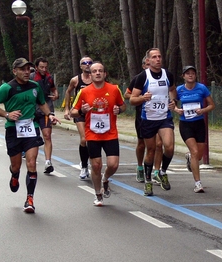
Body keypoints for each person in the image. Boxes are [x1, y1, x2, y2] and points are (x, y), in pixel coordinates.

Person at [0, 58, 61, 213]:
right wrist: (7, 114)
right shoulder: (7, 88)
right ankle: (15, 175)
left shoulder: (35, 86)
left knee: (32, 163)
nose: (27, 72)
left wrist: (50, 115)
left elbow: (42, 103)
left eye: (28, 69)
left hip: (31, 127)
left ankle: (29, 199)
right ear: (15, 71)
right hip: (13, 130)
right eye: (23, 69)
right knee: (16, 166)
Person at [70, 61, 126, 206]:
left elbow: (123, 105)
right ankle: (98, 194)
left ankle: (105, 178)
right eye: (94, 71)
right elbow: (73, 112)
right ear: (91, 74)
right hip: (93, 134)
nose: (97, 73)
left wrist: (119, 110)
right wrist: (82, 110)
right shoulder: (84, 91)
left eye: (100, 71)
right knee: (96, 166)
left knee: (113, 165)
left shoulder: (114, 89)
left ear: (105, 73)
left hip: (110, 133)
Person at [129, 48, 177, 196]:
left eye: (159, 56)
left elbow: (173, 90)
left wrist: (173, 101)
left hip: (164, 117)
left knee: (168, 147)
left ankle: (162, 172)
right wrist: (143, 98)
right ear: (148, 60)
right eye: (154, 57)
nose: (158, 59)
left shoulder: (167, 74)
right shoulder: (143, 77)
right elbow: (132, 100)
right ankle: (148, 181)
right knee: (150, 150)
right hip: (148, 119)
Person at [174, 66, 215, 193]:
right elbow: (172, 103)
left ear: (195, 76)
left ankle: (189, 158)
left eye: (192, 73)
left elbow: (212, 105)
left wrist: (202, 110)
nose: (190, 75)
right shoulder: (179, 90)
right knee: (195, 151)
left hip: (199, 123)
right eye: (188, 74)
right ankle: (198, 183)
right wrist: (177, 110)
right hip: (186, 124)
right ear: (183, 76)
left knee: (198, 155)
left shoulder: (201, 88)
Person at [124, 56, 163, 183]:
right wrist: (141, 97)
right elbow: (127, 95)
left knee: (158, 144)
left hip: (158, 115)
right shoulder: (139, 78)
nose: (149, 66)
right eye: (146, 64)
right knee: (142, 144)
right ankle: (140, 167)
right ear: (143, 66)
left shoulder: (162, 76)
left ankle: (157, 171)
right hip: (142, 115)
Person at [64, 56, 93, 179]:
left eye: (89, 62)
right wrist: (67, 109)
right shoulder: (75, 80)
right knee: (84, 139)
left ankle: (89, 162)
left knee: (93, 141)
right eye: (84, 63)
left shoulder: (97, 78)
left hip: (94, 113)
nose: (87, 64)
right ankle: (84, 167)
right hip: (79, 113)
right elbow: (68, 92)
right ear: (80, 66)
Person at [30, 57, 59, 173]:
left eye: (46, 67)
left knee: (47, 135)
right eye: (41, 67)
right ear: (36, 67)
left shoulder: (49, 77)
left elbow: (54, 89)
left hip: (47, 110)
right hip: (32, 111)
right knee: (34, 138)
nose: (44, 69)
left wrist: (56, 95)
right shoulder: (31, 78)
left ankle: (48, 162)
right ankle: (32, 160)